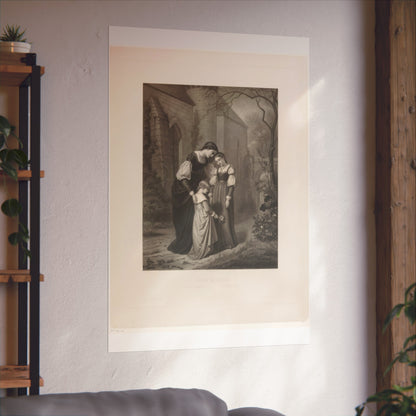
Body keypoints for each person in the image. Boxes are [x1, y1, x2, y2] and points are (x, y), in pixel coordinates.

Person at [168, 141, 218, 254]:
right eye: (212, 152)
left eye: (214, 154)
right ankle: (181, 242)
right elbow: (183, 177)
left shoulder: (205, 162)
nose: (213, 155)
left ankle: (189, 243)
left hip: (193, 190)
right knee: (181, 216)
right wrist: (190, 192)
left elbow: (204, 177)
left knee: (190, 216)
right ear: (207, 148)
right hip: (182, 189)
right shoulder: (193, 156)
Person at [188, 181, 223, 260]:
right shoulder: (202, 197)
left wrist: (209, 199)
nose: (207, 191)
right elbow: (208, 210)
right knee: (204, 235)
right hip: (204, 218)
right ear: (202, 188)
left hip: (197, 218)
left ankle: (198, 251)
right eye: (207, 189)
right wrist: (216, 216)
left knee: (198, 234)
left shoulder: (196, 195)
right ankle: (205, 251)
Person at [210, 152, 238, 250]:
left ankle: (228, 242)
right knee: (217, 213)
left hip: (225, 192)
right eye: (216, 161)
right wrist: (211, 195)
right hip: (217, 192)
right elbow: (213, 184)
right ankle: (219, 242)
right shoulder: (217, 170)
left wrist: (228, 198)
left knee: (225, 214)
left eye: (219, 160)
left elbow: (231, 186)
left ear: (223, 158)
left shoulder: (229, 168)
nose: (218, 163)